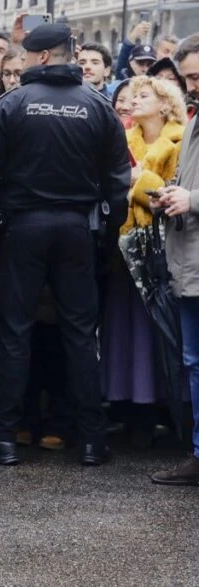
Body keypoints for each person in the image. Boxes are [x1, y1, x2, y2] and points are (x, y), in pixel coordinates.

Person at [0, 23, 131, 467]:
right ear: (69, 55)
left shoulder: (11, 105)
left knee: (14, 332)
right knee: (79, 332)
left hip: (22, 227)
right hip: (77, 227)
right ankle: (92, 440)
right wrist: (107, 235)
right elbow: (118, 184)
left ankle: (1, 437)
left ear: (38, 57)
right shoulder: (98, 106)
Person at [101, 76, 185, 447]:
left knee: (161, 331)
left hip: (166, 253)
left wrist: (136, 180)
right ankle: (127, 406)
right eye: (131, 95)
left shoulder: (182, 140)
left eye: (143, 95)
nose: (132, 101)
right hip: (127, 253)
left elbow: (166, 194)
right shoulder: (123, 141)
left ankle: (164, 408)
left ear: (165, 103)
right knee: (125, 330)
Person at [150, 41, 199, 485]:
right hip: (187, 261)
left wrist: (192, 199)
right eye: (188, 78)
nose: (192, 86)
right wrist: (172, 190)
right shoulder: (195, 118)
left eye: (198, 76)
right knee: (193, 361)